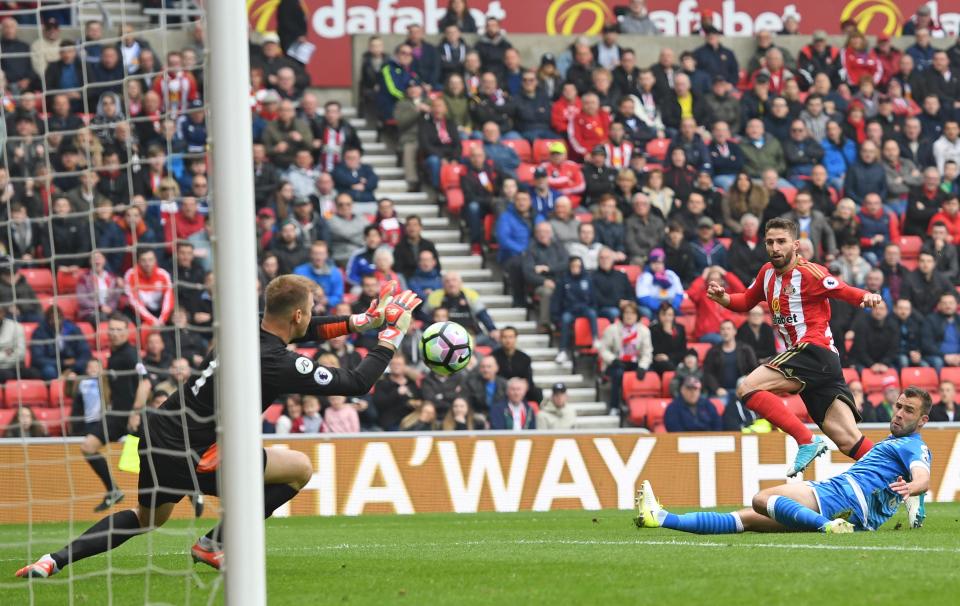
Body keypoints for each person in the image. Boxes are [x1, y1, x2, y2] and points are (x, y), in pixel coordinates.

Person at [15, 278, 420, 578]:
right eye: (309, 311)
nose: (311, 318)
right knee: (298, 468)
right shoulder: (275, 363)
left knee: (146, 519)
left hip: (159, 433)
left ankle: (51, 562)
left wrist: (361, 320)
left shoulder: (243, 331)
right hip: (198, 449)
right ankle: (213, 543)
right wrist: (389, 337)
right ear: (297, 314)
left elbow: (304, 330)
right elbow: (356, 383)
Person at [706, 217, 883, 477]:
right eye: (770, 242)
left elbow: (841, 289)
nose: (775, 248)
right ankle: (904, 480)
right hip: (816, 366)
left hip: (814, 350)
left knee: (746, 387)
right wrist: (723, 298)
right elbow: (745, 301)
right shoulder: (767, 272)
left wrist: (865, 296)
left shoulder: (809, 272)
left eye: (781, 241)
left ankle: (805, 440)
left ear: (795, 245)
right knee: (848, 440)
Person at [637, 387, 932, 535]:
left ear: (922, 421)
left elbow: (922, 476)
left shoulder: (911, 445)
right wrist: (912, 495)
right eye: (898, 406)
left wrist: (914, 489)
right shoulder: (897, 445)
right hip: (854, 510)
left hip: (844, 495)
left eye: (908, 411)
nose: (899, 413)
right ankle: (660, 518)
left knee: (761, 499)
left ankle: (827, 527)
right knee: (747, 520)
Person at [599, 302, 652, 416]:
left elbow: (647, 353)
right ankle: (614, 406)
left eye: (632, 313)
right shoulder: (611, 329)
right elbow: (603, 350)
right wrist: (613, 359)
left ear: (637, 316)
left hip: (634, 362)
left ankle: (641, 409)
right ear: (622, 315)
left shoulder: (644, 331)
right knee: (618, 374)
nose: (629, 316)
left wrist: (642, 366)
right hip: (616, 363)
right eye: (626, 313)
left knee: (650, 373)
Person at [552, 256, 597, 364]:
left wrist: (593, 307)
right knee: (565, 319)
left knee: (592, 313)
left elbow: (593, 297)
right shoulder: (563, 281)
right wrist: (555, 315)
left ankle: (595, 340)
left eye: (578, 266)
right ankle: (563, 350)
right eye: (573, 266)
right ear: (569, 267)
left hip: (585, 309)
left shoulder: (587, 279)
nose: (576, 268)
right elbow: (557, 299)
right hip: (569, 310)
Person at [687, 267, 745, 344]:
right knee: (725, 341)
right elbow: (691, 293)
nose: (715, 282)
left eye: (717, 279)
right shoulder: (702, 294)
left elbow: (742, 290)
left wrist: (725, 273)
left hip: (726, 332)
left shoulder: (727, 293)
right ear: (707, 281)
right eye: (711, 279)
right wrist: (703, 276)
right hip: (707, 333)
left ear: (722, 281)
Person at [124, 249, 174, 328]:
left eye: (150, 260)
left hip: (160, 312)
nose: (147, 263)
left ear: (155, 260)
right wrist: (152, 321)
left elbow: (168, 299)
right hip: (138, 314)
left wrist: (162, 319)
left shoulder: (163, 274)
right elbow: (133, 302)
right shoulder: (131, 275)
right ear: (138, 261)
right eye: (143, 260)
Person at [492, 326, 541, 404]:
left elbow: (528, 380)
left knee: (537, 392)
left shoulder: (524, 358)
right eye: (505, 337)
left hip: (519, 389)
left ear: (515, 338)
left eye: (511, 337)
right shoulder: (493, 357)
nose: (508, 340)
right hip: (501, 389)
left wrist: (520, 388)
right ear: (500, 339)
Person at [293, 241, 343, 308]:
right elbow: (295, 294)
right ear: (310, 254)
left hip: (329, 311)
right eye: (315, 254)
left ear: (327, 255)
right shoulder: (299, 272)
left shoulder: (335, 273)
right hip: (305, 309)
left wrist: (326, 301)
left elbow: (338, 296)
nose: (318, 257)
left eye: (321, 254)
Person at [636, 248, 683, 318]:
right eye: (654, 262)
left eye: (660, 263)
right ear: (650, 263)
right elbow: (643, 297)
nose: (657, 265)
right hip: (653, 309)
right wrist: (661, 308)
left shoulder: (671, 274)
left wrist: (672, 307)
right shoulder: (645, 276)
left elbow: (679, 293)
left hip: (671, 307)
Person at [920, 291, 960, 372]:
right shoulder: (930, 320)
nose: (948, 306)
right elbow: (926, 345)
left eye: (951, 303)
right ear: (939, 306)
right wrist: (944, 356)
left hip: (958, 356)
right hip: (938, 356)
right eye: (944, 303)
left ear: (956, 305)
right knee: (937, 362)